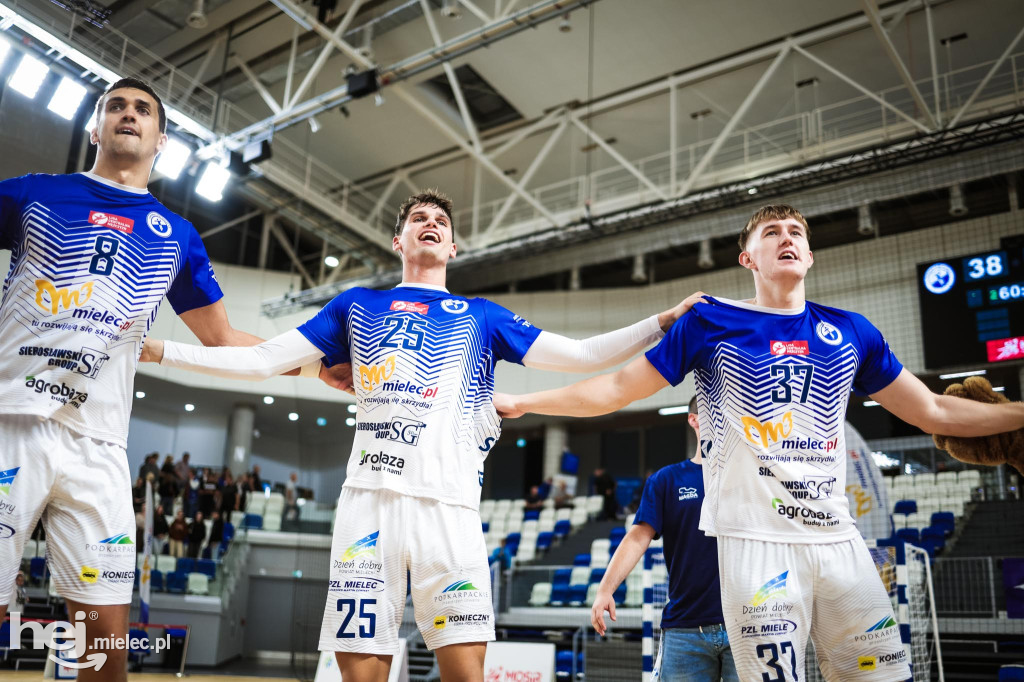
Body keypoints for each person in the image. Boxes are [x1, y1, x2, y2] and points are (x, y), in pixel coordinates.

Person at [138, 189, 699, 682]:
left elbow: (581, 356)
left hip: (449, 511)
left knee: (464, 676)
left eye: (442, 222)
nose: (431, 223)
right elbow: (261, 360)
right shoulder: (356, 305)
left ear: (453, 248)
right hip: (368, 509)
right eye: (419, 218)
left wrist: (661, 322)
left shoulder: (481, 316)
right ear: (397, 239)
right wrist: (159, 349)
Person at [494, 204, 1024, 680]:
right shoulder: (710, 321)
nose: (786, 237)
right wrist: (525, 402)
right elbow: (614, 388)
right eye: (771, 232)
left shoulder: (852, 331)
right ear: (748, 258)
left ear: (810, 255)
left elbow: (932, 408)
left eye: (796, 232)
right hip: (755, 544)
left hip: (839, 543)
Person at [0, 76, 353, 681]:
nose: (128, 115)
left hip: (100, 448)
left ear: (160, 139)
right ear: (95, 128)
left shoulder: (175, 235)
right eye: (115, 106)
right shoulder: (36, 193)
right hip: (11, 424)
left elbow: (225, 340)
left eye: (143, 110)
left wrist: (320, 365)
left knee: (104, 653)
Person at [591, 396, 736, 681]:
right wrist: (605, 590)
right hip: (686, 630)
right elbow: (636, 538)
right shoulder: (667, 480)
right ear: (694, 420)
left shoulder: (754, 477)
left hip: (747, 624)